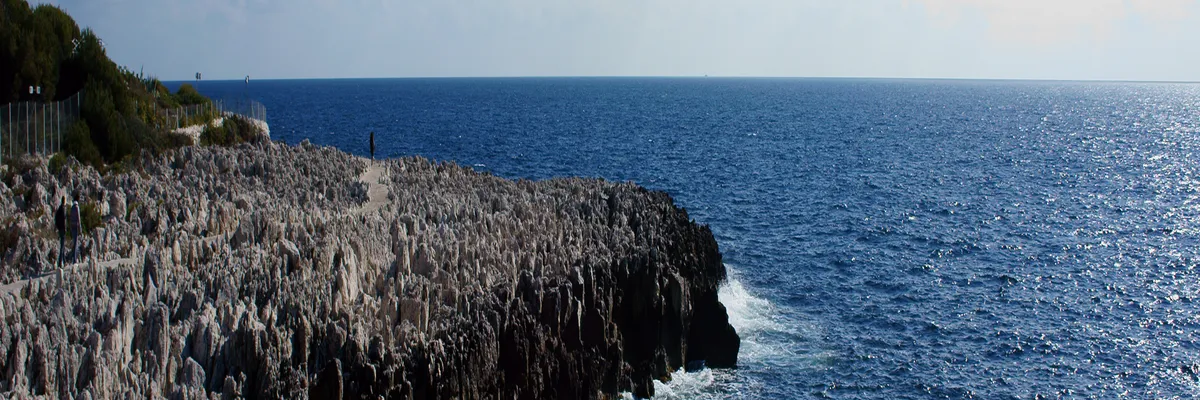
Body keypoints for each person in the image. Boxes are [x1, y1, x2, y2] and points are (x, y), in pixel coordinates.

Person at [54, 196, 66, 271]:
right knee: (62, 246)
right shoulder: (63, 209)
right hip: (62, 229)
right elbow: (64, 219)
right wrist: (65, 229)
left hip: (60, 229)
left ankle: (64, 261)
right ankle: (60, 262)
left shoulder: (59, 209)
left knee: (63, 245)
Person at [69, 198, 82, 264]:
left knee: (74, 242)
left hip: (72, 226)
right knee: (76, 243)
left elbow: (70, 218)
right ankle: (75, 259)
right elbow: (79, 219)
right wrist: (80, 229)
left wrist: (70, 228)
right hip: (76, 226)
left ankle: (73, 258)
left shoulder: (71, 208)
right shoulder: (77, 208)